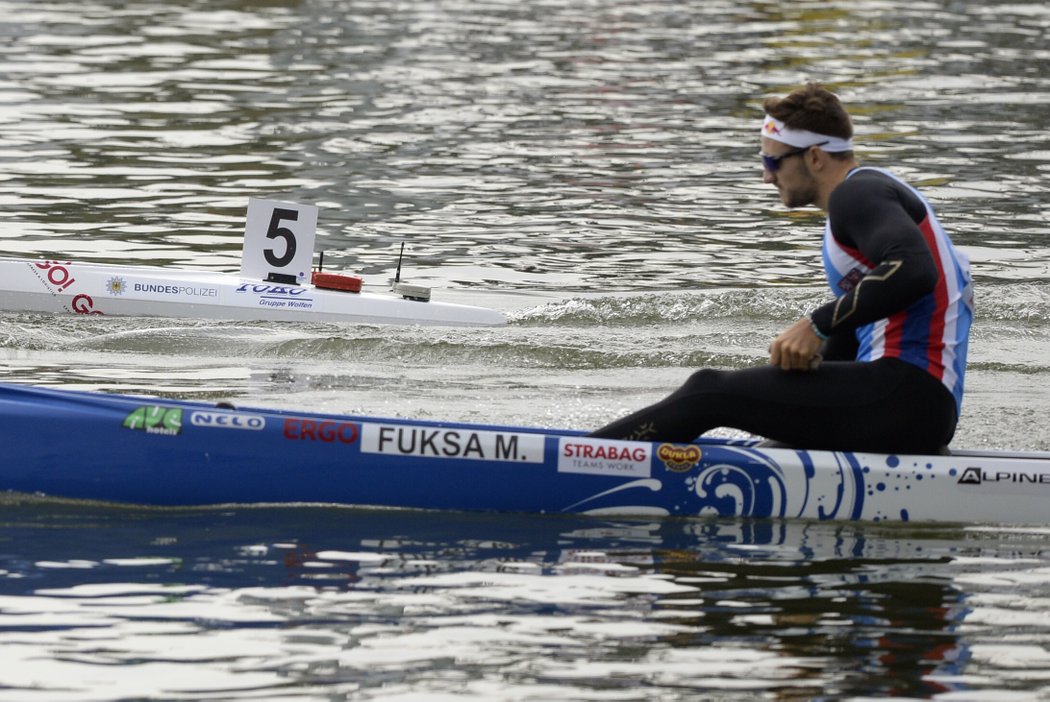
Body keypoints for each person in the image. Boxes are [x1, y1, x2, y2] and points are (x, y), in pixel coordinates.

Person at [591, 83, 974, 454]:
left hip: (905, 396)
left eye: (773, 161)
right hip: (915, 405)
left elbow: (913, 270)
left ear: (815, 157)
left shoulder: (857, 195)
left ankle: (587, 458)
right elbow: (872, 316)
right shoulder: (872, 195)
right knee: (772, 439)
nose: (766, 176)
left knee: (707, 391)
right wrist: (814, 367)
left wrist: (816, 325)